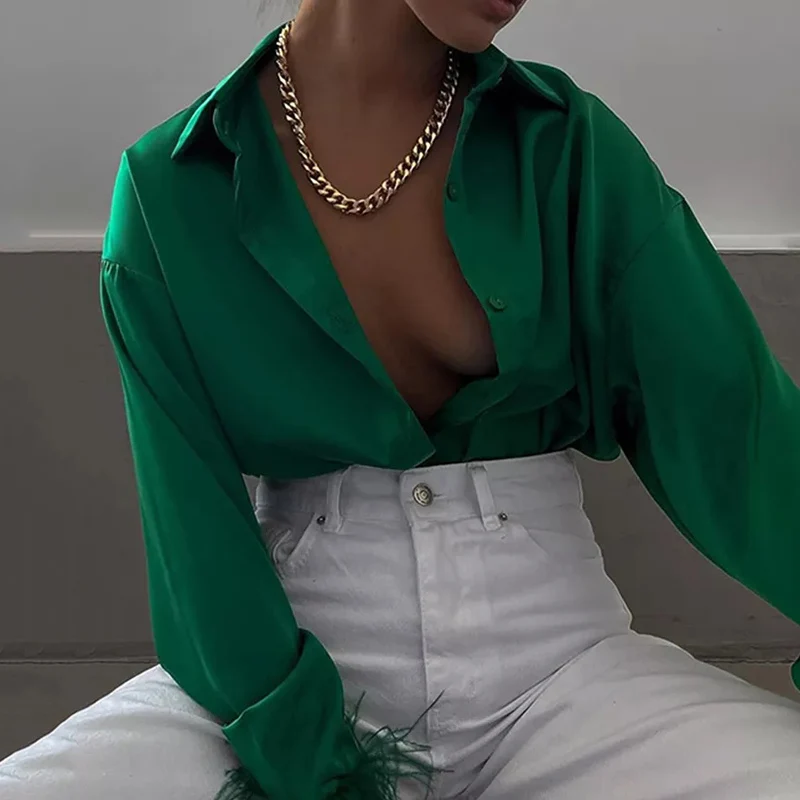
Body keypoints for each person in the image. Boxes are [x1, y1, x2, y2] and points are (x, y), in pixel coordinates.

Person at [2, 0, 800, 797]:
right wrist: (305, 758)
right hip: (283, 661)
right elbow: (193, 536)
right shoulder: (170, 188)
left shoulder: (566, 147)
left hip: (560, 672)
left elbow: (742, 438)